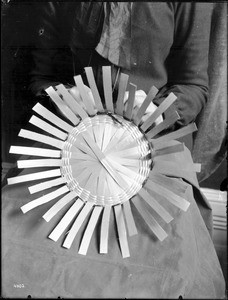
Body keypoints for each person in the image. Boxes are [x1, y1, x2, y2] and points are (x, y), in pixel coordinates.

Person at [2, 2, 226, 299]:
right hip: (71, 140)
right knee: (13, 246)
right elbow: (39, 77)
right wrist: (65, 95)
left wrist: (155, 111)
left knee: (173, 270)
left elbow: (194, 86)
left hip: (154, 146)